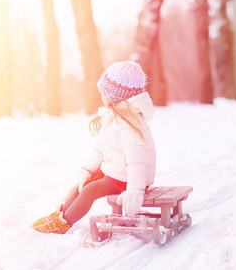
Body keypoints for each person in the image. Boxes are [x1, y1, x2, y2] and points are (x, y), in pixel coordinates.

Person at [32, 61, 156, 234]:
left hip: (129, 179)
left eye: (105, 93)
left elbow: (137, 162)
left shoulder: (129, 124)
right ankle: (59, 213)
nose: (102, 97)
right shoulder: (113, 117)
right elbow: (99, 149)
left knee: (90, 190)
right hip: (116, 173)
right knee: (84, 183)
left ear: (115, 97)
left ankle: (63, 223)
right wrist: (86, 170)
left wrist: (135, 191)